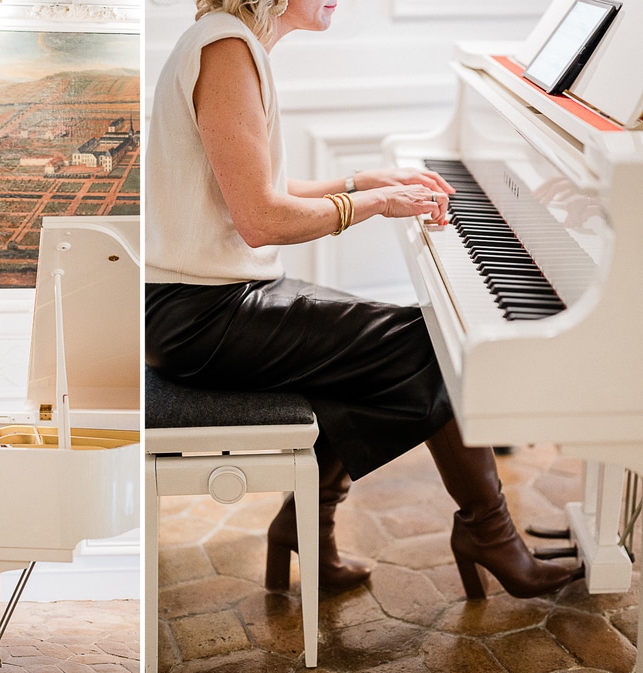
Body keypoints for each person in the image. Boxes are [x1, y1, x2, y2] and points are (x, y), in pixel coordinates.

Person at [145, 0, 574, 599]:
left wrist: (359, 182)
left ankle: (305, 526)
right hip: (200, 317)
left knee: (383, 351)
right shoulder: (226, 50)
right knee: (435, 343)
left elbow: (255, 183)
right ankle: (489, 533)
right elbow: (261, 218)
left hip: (208, 302)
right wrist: (373, 206)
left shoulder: (229, 43)